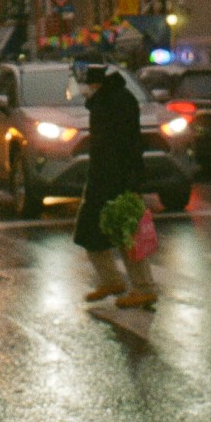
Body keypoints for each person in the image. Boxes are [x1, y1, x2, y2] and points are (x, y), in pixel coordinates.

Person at [73, 62, 157, 309]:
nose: (83, 89)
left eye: (86, 84)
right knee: (92, 232)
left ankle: (143, 287)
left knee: (125, 232)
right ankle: (112, 280)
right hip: (103, 176)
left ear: (96, 83)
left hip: (116, 177)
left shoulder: (115, 101)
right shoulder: (106, 99)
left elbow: (126, 143)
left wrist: (131, 181)